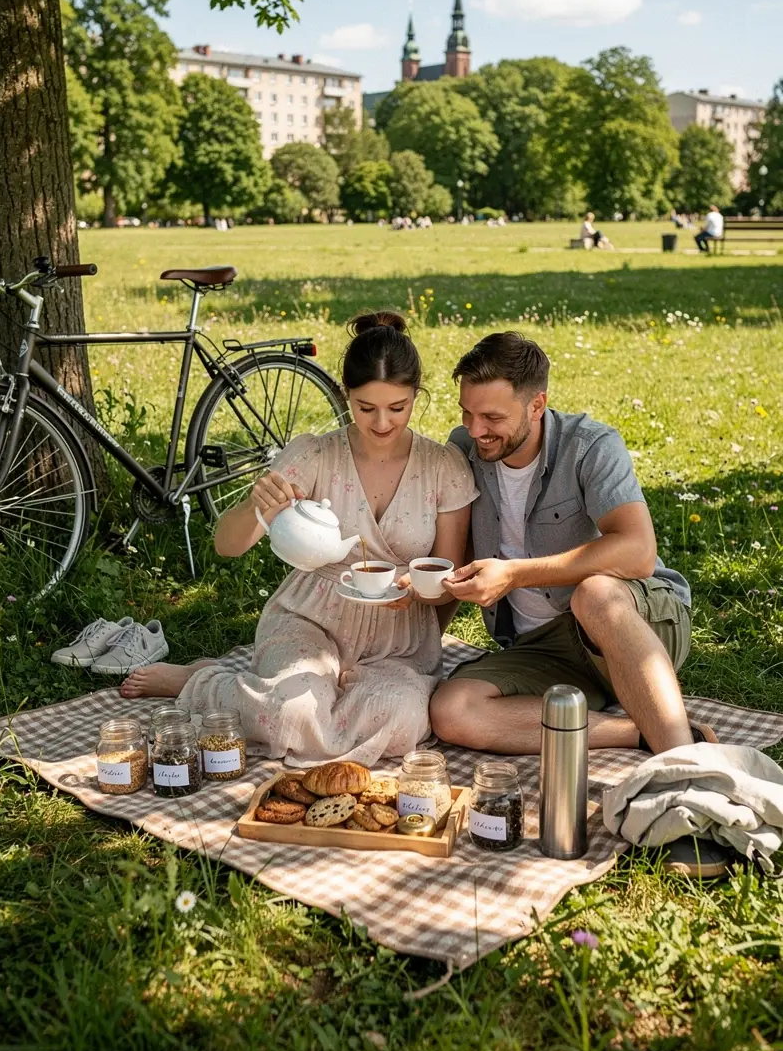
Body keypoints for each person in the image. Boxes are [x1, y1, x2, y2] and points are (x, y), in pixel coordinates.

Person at [121, 312, 478, 767]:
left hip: (400, 638)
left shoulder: (443, 467)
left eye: (398, 407)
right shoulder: (313, 454)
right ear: (347, 395)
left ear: (416, 397)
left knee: (402, 718)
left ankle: (258, 696)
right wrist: (256, 506)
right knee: (290, 710)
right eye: (366, 408)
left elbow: (443, 575)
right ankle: (207, 680)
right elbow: (226, 545)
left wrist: (418, 609)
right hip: (311, 618)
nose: (383, 423)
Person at [429, 330, 716, 759]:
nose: (475, 429)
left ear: (537, 405)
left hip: (632, 624)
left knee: (595, 593)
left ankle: (687, 764)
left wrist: (514, 575)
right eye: (467, 413)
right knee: (451, 711)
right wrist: (420, 643)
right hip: (543, 648)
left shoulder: (590, 446)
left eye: (491, 417)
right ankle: (634, 732)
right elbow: (455, 562)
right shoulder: (464, 451)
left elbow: (638, 552)